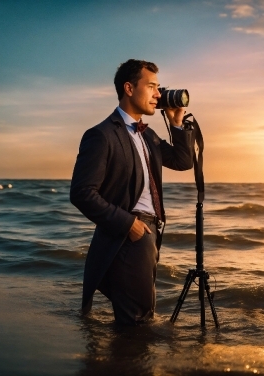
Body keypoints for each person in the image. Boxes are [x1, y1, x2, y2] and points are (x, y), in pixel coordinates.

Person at [70, 59, 194, 325]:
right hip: (129, 235)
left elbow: (183, 162)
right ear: (129, 88)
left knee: (137, 318)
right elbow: (82, 192)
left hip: (150, 235)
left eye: (159, 88)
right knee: (138, 323)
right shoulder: (101, 135)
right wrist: (129, 225)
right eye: (151, 87)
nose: (158, 95)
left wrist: (176, 123)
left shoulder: (148, 136)